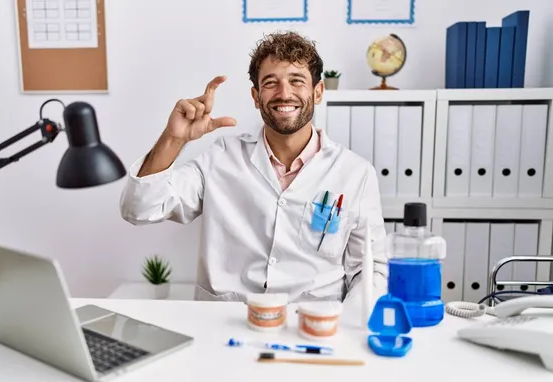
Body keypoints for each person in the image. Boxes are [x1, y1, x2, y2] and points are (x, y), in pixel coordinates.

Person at [120, 31, 388, 304]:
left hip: (312, 327)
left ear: (318, 92)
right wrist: (173, 139)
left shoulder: (356, 174)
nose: (284, 94)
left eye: (297, 81)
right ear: (256, 96)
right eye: (271, 83)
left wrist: (347, 328)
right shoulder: (221, 157)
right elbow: (140, 209)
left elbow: (370, 269)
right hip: (223, 324)